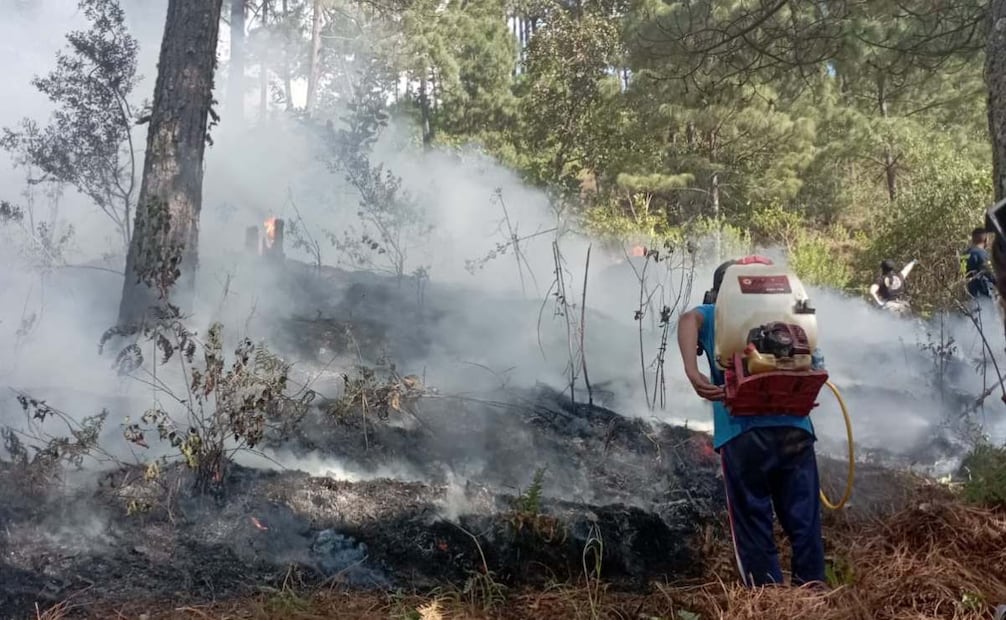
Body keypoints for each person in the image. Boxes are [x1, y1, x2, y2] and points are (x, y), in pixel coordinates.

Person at [677, 260, 826, 588]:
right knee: (804, 520)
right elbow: (815, 356)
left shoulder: (717, 310)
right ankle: (814, 591)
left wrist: (692, 371)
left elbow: (688, 319)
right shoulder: (789, 310)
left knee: (752, 520)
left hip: (742, 433)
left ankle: (766, 596)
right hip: (796, 428)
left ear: (719, 291)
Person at [963, 227, 995, 299]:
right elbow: (990, 273)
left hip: (970, 293)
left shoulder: (964, 254)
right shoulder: (981, 254)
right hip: (983, 293)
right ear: (986, 239)